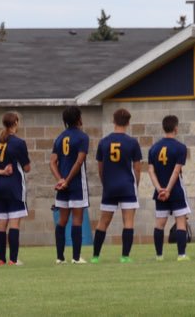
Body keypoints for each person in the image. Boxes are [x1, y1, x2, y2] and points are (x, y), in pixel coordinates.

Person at [91, 109, 142, 264]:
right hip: (127, 185)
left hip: (110, 186)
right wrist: (136, 185)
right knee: (128, 221)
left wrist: (105, 183)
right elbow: (137, 168)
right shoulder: (132, 142)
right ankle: (125, 256)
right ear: (128, 122)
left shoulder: (104, 142)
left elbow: (100, 167)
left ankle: (95, 256)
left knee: (103, 222)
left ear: (113, 121)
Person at [0, 112, 30, 266]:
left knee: (1, 224)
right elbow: (27, 167)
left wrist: (1, 172)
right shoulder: (19, 143)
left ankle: (1, 259)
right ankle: (13, 259)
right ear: (16, 123)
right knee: (14, 224)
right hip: (15, 187)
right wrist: (8, 170)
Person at [147, 116, 190, 261]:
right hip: (176, 190)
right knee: (181, 221)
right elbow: (176, 171)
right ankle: (181, 255)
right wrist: (168, 190)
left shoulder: (154, 148)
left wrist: (160, 189)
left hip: (159, 192)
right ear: (176, 128)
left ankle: (159, 255)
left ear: (163, 128)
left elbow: (151, 171)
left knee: (160, 223)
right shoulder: (180, 147)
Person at [50, 106, 90, 264]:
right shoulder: (82, 137)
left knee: (62, 220)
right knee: (77, 220)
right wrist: (67, 180)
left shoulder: (59, 138)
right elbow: (79, 161)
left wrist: (60, 179)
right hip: (76, 184)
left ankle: (60, 257)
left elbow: (52, 162)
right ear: (79, 118)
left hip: (62, 186)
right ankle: (76, 257)